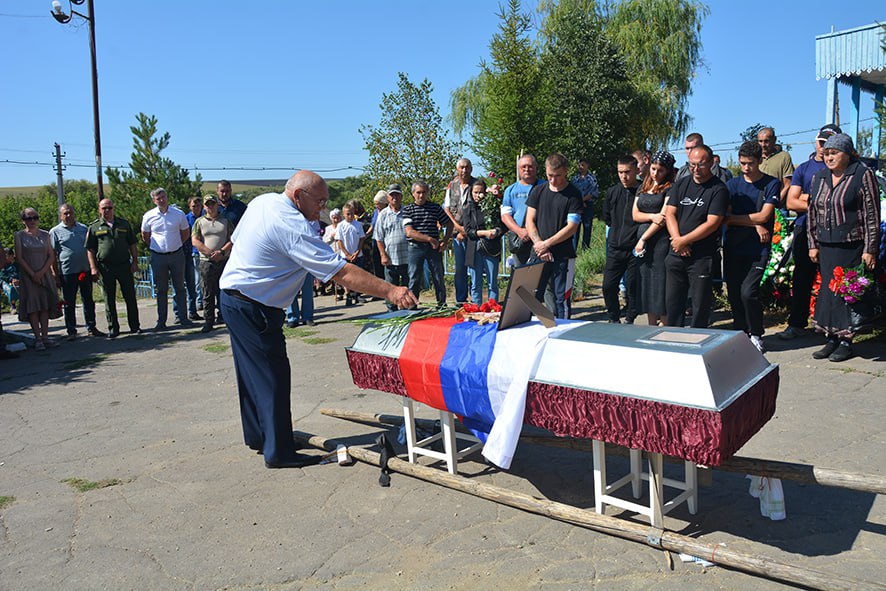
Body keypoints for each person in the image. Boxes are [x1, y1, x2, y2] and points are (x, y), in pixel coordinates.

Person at [219, 170, 417, 468]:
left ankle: (260, 436)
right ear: (298, 196)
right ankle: (279, 452)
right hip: (254, 306)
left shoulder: (263, 202)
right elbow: (341, 272)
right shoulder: (291, 224)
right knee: (273, 377)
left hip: (235, 297)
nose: (322, 209)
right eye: (320, 201)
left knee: (250, 374)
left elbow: (236, 240)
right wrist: (390, 291)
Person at [807, 133, 881, 362]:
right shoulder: (819, 177)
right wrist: (813, 244)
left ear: (847, 154)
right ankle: (831, 338)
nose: (829, 157)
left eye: (834, 153)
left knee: (847, 293)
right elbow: (812, 212)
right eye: (826, 153)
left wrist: (870, 249)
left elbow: (871, 214)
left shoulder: (861, 174)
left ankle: (846, 341)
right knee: (829, 293)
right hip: (826, 245)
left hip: (852, 245)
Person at [777, 124, 842, 340]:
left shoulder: (840, 169)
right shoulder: (804, 168)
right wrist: (822, 202)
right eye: (822, 142)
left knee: (832, 278)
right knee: (802, 277)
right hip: (805, 229)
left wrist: (809, 199)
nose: (824, 148)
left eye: (830, 144)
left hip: (834, 232)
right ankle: (797, 323)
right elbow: (791, 201)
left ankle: (832, 326)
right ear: (816, 141)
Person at [723, 141, 781, 353]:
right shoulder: (732, 185)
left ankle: (756, 333)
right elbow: (725, 217)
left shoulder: (771, 184)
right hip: (733, 246)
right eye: (742, 163)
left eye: (750, 164)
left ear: (760, 161)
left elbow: (766, 215)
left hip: (758, 249)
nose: (745, 168)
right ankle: (740, 332)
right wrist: (755, 223)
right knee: (735, 293)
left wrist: (756, 221)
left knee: (749, 292)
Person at [664, 145, 729, 328]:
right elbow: (670, 213)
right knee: (673, 302)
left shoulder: (718, 189)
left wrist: (685, 240)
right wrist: (677, 240)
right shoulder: (682, 183)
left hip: (701, 256)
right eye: (692, 165)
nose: (696, 169)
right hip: (676, 253)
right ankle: (674, 336)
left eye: (700, 165)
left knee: (700, 304)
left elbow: (712, 223)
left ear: (710, 163)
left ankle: (698, 336)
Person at [526, 153, 583, 319]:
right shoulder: (538, 191)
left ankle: (563, 334)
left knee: (561, 300)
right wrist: (539, 244)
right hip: (538, 252)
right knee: (531, 297)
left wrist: (547, 244)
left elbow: (572, 227)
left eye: (557, 176)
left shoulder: (574, 194)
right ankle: (536, 330)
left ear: (566, 171)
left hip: (563, 255)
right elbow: (530, 220)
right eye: (550, 175)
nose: (553, 180)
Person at [86, 199, 141, 338]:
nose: (107, 211)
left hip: (124, 265)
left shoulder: (123, 224)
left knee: (130, 297)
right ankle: (113, 328)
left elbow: (132, 244)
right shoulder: (94, 227)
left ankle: (135, 326)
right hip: (105, 267)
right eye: (104, 208)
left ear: (113, 208)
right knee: (109, 298)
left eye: (109, 208)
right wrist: (93, 268)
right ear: (99, 210)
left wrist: (135, 262)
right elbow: (90, 249)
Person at [632, 150, 676, 327]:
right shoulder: (642, 186)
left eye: (660, 170)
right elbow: (635, 214)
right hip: (643, 240)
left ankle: (664, 324)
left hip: (659, 241)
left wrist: (643, 238)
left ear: (668, 172)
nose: (655, 173)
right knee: (646, 282)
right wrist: (651, 216)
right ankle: (650, 324)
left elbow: (663, 219)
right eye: (653, 168)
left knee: (659, 283)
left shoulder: (670, 189)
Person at [141, 188, 193, 330]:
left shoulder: (178, 214)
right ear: (154, 201)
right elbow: (145, 236)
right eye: (158, 199)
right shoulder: (148, 216)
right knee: (161, 290)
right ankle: (161, 321)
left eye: (163, 197)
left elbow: (185, 233)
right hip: (158, 257)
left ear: (167, 197)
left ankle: (182, 318)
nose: (162, 200)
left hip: (177, 255)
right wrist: (159, 247)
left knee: (180, 288)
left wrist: (174, 245)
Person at [50, 203, 103, 339]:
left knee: (88, 300)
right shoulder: (55, 232)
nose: (68, 215)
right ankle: (71, 330)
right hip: (67, 272)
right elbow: (52, 255)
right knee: (69, 302)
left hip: (84, 270)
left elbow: (90, 249)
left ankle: (91, 327)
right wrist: (55, 274)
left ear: (74, 213)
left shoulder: (83, 228)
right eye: (65, 213)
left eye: (70, 213)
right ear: (60, 216)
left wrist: (93, 268)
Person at [14, 208, 60, 350]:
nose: (32, 221)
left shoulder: (46, 234)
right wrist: (33, 274)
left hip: (44, 274)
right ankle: (37, 338)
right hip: (28, 276)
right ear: (23, 221)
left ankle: (45, 337)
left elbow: (51, 256)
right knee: (33, 307)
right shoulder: (19, 236)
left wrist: (42, 272)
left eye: (35, 217)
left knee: (44, 306)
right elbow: (19, 258)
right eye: (29, 218)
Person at [602, 155, 641, 323]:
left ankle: (631, 319)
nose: (624, 176)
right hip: (615, 247)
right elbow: (607, 216)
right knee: (608, 286)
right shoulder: (612, 192)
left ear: (636, 171)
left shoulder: (643, 191)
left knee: (633, 287)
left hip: (635, 248)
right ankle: (613, 318)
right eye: (620, 172)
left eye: (627, 172)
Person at [403, 179, 452, 307]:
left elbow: (449, 223)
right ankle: (412, 307)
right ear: (413, 193)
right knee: (414, 278)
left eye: (424, 192)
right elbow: (409, 232)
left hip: (433, 248)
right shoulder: (408, 209)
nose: (421, 195)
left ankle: (441, 304)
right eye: (418, 192)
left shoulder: (434, 207)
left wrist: (445, 241)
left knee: (438, 277)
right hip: (415, 247)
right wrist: (429, 239)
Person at [191, 196, 233, 333]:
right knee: (207, 292)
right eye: (207, 205)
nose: (210, 207)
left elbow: (232, 239)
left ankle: (226, 318)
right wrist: (209, 253)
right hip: (206, 262)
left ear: (217, 205)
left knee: (225, 291)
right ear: (204, 207)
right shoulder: (199, 222)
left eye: (213, 204)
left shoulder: (226, 221)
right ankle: (209, 321)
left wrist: (221, 252)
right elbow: (195, 240)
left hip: (224, 260)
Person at [463, 178, 504, 304]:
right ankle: (477, 308)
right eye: (475, 192)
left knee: (492, 282)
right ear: (471, 193)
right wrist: (484, 233)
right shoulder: (467, 209)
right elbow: (468, 231)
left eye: (480, 192)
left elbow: (503, 225)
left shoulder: (492, 207)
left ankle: (493, 309)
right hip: (474, 248)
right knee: (476, 283)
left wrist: (496, 231)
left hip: (491, 247)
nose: (478, 195)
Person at [501, 154, 546, 265]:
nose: (527, 169)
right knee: (522, 276)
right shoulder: (510, 190)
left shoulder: (546, 186)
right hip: (521, 239)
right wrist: (519, 231)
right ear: (518, 169)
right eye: (523, 167)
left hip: (542, 238)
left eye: (530, 166)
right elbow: (505, 216)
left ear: (536, 167)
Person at [443, 158, 476, 305]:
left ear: (471, 169)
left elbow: (480, 209)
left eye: (467, 167)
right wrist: (457, 227)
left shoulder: (477, 184)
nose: (464, 170)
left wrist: (467, 230)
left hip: (473, 233)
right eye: (461, 167)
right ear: (457, 169)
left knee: (474, 266)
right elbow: (447, 208)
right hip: (457, 233)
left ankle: (476, 298)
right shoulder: (452, 185)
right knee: (460, 268)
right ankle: (461, 300)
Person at [375, 184, 409, 312]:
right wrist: (383, 255)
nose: (394, 197)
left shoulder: (407, 212)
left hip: (407, 258)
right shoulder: (383, 215)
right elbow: (378, 237)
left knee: (408, 288)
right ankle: (392, 314)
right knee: (390, 289)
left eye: (397, 194)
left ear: (401, 196)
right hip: (390, 258)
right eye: (392, 195)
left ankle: (408, 312)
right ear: (388, 198)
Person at [336, 203, 365, 306]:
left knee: (358, 276)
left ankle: (357, 294)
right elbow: (339, 241)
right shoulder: (341, 225)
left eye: (352, 214)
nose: (350, 216)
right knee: (346, 277)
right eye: (348, 214)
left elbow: (362, 238)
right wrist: (347, 254)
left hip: (357, 254)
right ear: (343, 214)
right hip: (345, 256)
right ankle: (348, 294)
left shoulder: (358, 224)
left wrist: (357, 251)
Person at [757, 127, 794, 204]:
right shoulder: (755, 157)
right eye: (760, 141)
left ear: (774, 140)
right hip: (758, 204)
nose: (763, 145)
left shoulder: (784, 156)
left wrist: (776, 202)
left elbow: (788, 184)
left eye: (766, 141)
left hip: (777, 206)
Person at [571, 157, 600, 250]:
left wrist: (583, 200)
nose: (581, 167)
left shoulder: (592, 178)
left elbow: (594, 193)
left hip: (588, 205)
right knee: (575, 227)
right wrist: (579, 202)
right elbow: (572, 191)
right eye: (579, 165)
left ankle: (585, 248)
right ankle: (574, 248)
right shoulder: (575, 178)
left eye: (583, 165)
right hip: (577, 206)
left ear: (587, 166)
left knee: (587, 227)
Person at [184, 196, 204, 320]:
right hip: (193, 252)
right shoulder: (186, 219)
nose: (196, 208)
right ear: (189, 207)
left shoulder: (205, 217)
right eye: (193, 206)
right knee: (196, 280)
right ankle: (198, 301)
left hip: (206, 251)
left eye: (198, 205)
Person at [369, 190, 388, 280]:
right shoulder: (375, 212)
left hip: (385, 240)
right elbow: (373, 225)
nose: (376, 205)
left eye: (378, 203)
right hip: (375, 240)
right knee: (377, 263)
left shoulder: (388, 212)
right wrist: (366, 235)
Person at [0, 247, 20, 315]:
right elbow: (3, 275)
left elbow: (20, 272)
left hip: (17, 280)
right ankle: (13, 306)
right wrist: (11, 280)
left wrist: (18, 279)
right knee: (10, 289)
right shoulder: (3, 265)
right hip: (5, 281)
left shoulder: (16, 264)